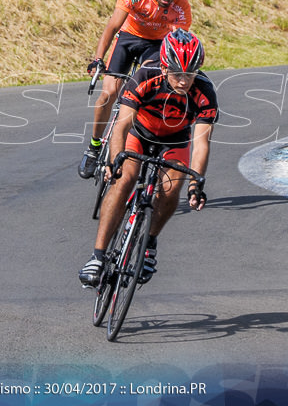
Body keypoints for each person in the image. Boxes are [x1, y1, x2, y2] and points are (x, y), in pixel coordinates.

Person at [78, 29, 217, 288]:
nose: (184, 81)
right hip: (139, 133)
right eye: (177, 74)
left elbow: (201, 143)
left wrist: (197, 183)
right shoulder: (145, 76)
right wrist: (115, 161)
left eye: (190, 74)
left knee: (172, 187)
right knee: (124, 180)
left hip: (175, 140)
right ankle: (97, 257)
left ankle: (149, 242)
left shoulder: (205, 91)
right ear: (164, 68)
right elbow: (120, 127)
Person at [78, 0, 192, 179]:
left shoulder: (181, 7)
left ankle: (135, 139)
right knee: (108, 95)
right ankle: (93, 148)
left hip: (156, 46)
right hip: (128, 39)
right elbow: (112, 27)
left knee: (144, 91)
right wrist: (98, 59)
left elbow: (177, 42)